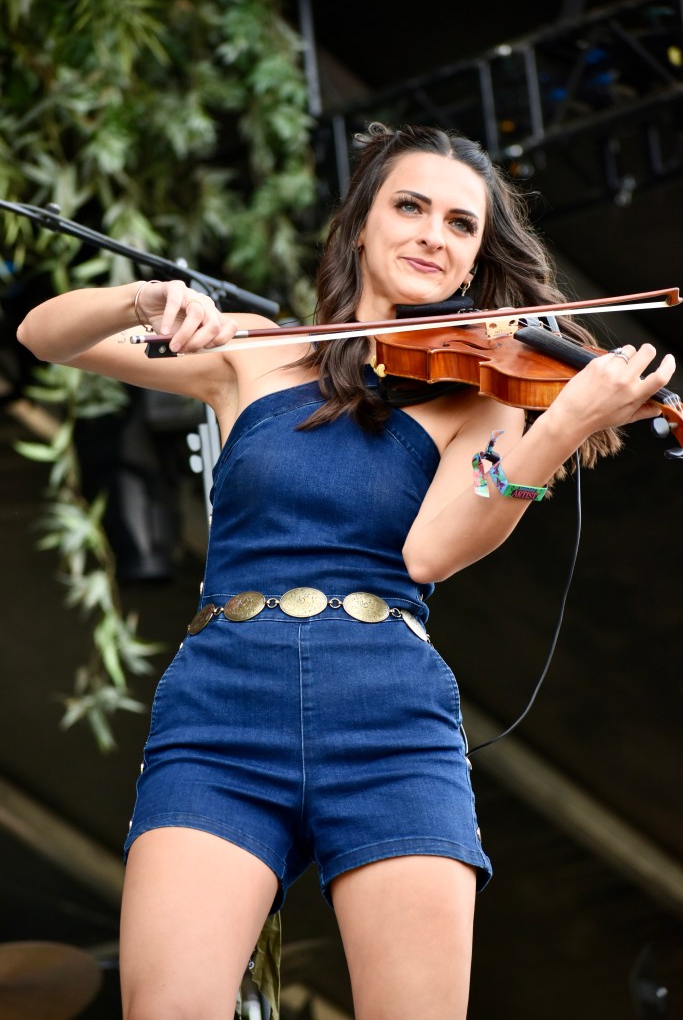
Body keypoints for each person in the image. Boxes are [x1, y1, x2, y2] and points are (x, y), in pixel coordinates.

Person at [16, 122, 675, 1020]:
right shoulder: (249, 351)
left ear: (477, 258)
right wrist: (148, 299)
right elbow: (44, 335)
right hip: (221, 704)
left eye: (459, 224)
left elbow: (432, 551)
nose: (432, 236)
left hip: (388, 717)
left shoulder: (480, 395)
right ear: (361, 222)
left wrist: (555, 428)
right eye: (409, 206)